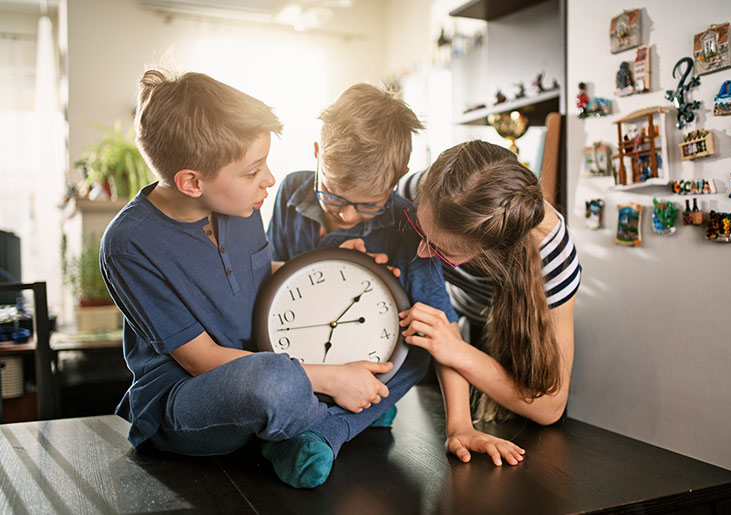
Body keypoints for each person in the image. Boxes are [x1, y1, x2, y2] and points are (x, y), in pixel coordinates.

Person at [100, 69, 397, 490]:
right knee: (272, 383)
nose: (270, 180)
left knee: (294, 363)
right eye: (253, 170)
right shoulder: (129, 245)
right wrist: (329, 378)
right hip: (187, 396)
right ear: (191, 181)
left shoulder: (240, 204)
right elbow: (199, 360)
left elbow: (255, 277)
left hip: (268, 358)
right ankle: (331, 420)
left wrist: (329, 267)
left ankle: (314, 416)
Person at [268, 85, 525, 467]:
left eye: (368, 205)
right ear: (318, 154)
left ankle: (328, 430)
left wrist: (459, 424)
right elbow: (268, 280)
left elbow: (441, 330)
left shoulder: (408, 229)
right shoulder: (289, 190)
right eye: (335, 196)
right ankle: (362, 412)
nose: (348, 216)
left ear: (397, 179)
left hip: (370, 357)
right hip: (299, 346)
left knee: (415, 358)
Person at [398, 140, 580, 462]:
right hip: (448, 324)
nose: (421, 252)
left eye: (443, 251)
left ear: (492, 252)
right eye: (419, 230)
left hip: (504, 337)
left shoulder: (553, 257)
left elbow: (551, 406)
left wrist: (457, 350)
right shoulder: (424, 189)